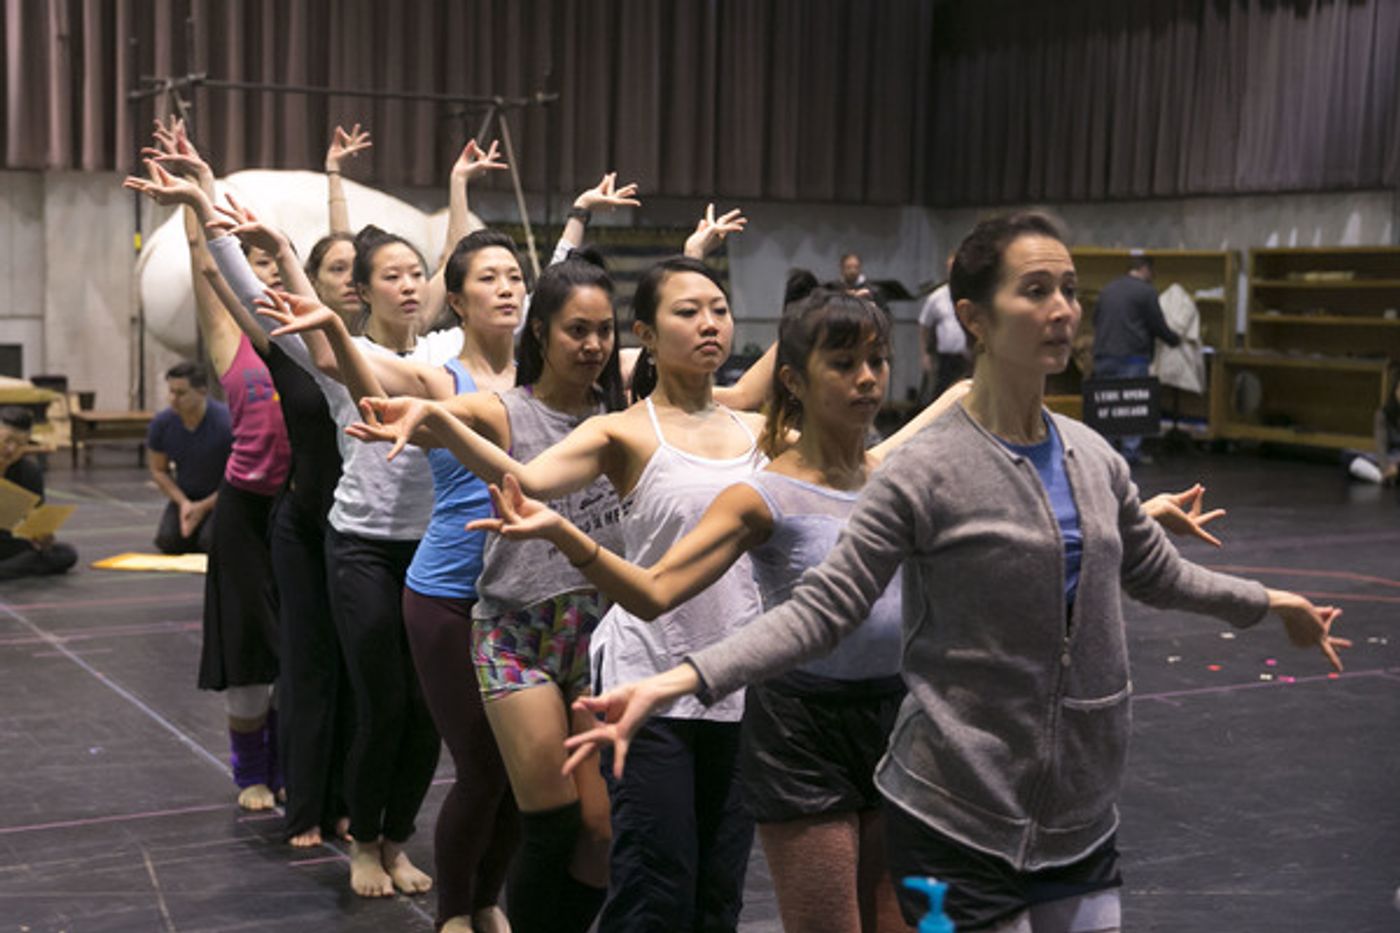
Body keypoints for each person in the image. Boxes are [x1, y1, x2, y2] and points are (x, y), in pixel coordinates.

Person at [557, 211, 1349, 933]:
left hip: (1062, 796)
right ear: (973, 316)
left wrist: (1266, 599)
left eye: (1070, 290)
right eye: (1036, 289)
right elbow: (817, 612)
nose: (1063, 309)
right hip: (923, 782)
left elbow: (1154, 570)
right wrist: (674, 680)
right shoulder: (907, 473)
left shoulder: (1092, 455)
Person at [350, 254, 774, 932]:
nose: (594, 345)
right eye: (577, 329)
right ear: (540, 331)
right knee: (533, 808)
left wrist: (808, 322)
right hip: (514, 626)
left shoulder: (630, 402)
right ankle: (460, 908)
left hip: (598, 628)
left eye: (605, 331)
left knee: (601, 832)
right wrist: (422, 412)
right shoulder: (516, 407)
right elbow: (503, 462)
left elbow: (737, 389)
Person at [1090, 255, 1181, 464]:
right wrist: (1175, 340)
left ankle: (1106, 453)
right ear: (1146, 269)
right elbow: (1157, 325)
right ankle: (1131, 454)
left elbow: (1095, 319)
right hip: (1132, 357)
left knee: (1108, 406)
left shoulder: (1108, 288)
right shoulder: (1146, 291)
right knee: (1133, 405)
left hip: (1103, 355)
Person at [145, 360, 230, 555]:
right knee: (168, 542)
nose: (173, 399)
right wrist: (184, 503)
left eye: (181, 393)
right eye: (171, 392)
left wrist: (203, 507)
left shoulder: (226, 424)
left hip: (222, 496)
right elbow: (158, 470)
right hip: (187, 495)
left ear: (202, 392)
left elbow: (237, 476)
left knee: (211, 543)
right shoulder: (162, 423)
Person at [0, 406, 78, 581]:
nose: (11, 449)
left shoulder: (29, 471)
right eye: (7, 440)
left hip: (5, 543)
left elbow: (34, 519)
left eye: (20, 444)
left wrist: (42, 536)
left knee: (66, 554)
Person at [919, 250, 970, 404]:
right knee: (940, 399)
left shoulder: (971, 294)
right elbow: (924, 325)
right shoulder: (936, 297)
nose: (952, 271)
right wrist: (924, 354)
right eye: (949, 267)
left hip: (968, 358)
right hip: (945, 359)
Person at [1344, 362, 1400, 484]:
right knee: (1348, 455)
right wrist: (1385, 467)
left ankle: (1388, 476)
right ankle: (1381, 478)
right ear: (1395, 391)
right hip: (1390, 457)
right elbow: (1381, 445)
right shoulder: (1383, 414)